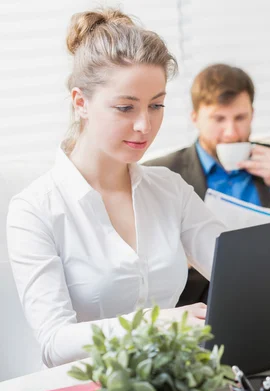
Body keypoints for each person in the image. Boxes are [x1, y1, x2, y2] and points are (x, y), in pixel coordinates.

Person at [6, 8, 226, 368]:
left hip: (173, 379)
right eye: (125, 107)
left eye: (157, 105)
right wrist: (155, 324)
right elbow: (54, 343)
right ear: (81, 103)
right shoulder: (35, 209)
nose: (145, 125)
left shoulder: (170, 190)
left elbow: (238, 270)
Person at [145, 64, 270, 306]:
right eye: (218, 119)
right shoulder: (164, 172)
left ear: (252, 114)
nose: (231, 133)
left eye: (240, 118)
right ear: (195, 118)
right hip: (202, 304)